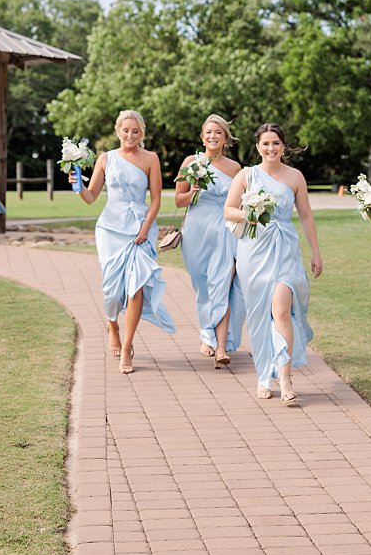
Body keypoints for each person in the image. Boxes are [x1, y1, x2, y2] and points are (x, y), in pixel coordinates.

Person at [224, 124, 322, 405]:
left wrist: (315, 252)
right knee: (258, 316)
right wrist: (249, 213)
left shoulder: (295, 177)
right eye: (266, 144)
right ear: (258, 146)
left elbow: (305, 215)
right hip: (253, 252)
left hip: (285, 249)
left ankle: (286, 376)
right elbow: (228, 210)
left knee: (281, 309)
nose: (271, 148)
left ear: (283, 146)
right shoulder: (246, 175)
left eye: (276, 143)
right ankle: (263, 376)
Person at [78, 110, 176, 373]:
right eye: (125, 130)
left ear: (141, 133)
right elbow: (91, 197)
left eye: (135, 131)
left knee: (136, 287)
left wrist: (145, 226)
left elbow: (156, 199)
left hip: (139, 229)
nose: (130, 135)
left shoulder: (151, 159)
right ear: (117, 131)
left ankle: (128, 347)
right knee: (111, 290)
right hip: (110, 228)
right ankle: (112, 326)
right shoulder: (106, 158)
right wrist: (78, 185)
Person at [175, 115, 245, 368]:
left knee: (223, 284)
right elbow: (178, 200)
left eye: (218, 132)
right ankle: (207, 333)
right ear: (202, 136)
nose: (213, 136)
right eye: (208, 132)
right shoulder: (191, 162)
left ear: (225, 138)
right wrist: (192, 192)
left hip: (225, 230)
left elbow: (238, 203)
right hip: (196, 230)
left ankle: (222, 347)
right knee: (203, 286)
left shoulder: (236, 168)